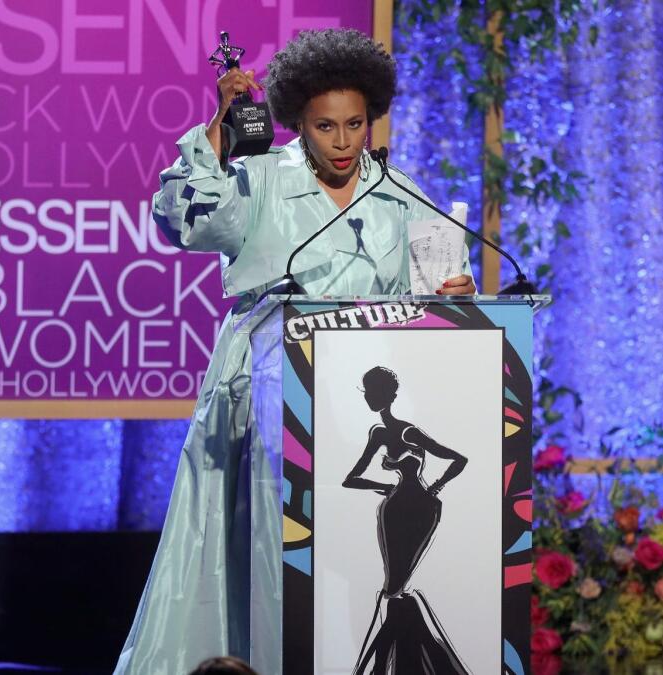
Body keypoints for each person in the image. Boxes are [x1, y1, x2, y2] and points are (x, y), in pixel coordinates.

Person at [113, 29, 476, 675]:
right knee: (276, 547)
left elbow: (431, 302)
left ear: (373, 119)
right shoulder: (257, 178)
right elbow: (182, 221)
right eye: (325, 126)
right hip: (276, 385)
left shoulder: (403, 194)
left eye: (356, 124)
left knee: (356, 559)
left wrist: (457, 294)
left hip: (364, 391)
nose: (342, 141)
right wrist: (221, 129)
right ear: (297, 123)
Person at [343, 367, 469, 674]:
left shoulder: (409, 432)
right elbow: (351, 479)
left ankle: (383, 663)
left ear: (390, 395)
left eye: (375, 392)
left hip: (421, 509)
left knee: (396, 585)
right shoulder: (379, 433)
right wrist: (386, 487)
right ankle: (395, 660)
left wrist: (435, 488)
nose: (371, 398)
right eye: (368, 392)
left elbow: (459, 459)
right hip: (394, 508)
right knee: (393, 585)